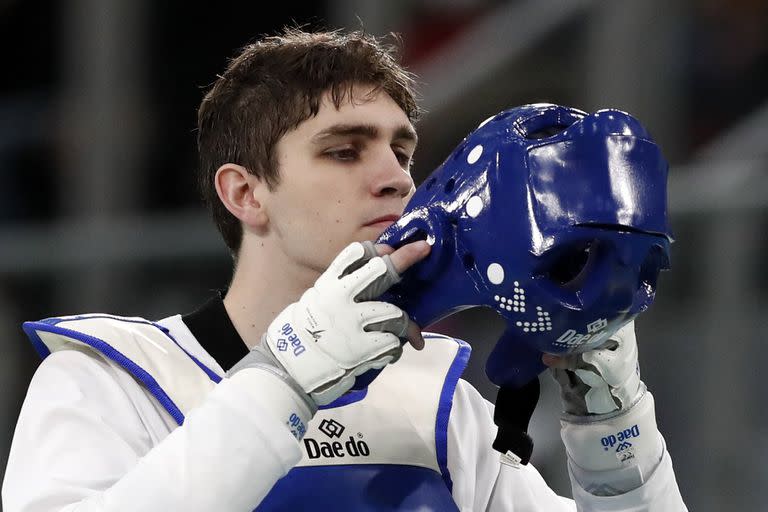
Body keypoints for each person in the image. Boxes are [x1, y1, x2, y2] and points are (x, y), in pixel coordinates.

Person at [2, 26, 688, 511]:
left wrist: (616, 444)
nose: (394, 177)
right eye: (343, 151)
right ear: (246, 193)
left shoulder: (440, 403)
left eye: (401, 150)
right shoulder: (108, 379)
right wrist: (285, 381)